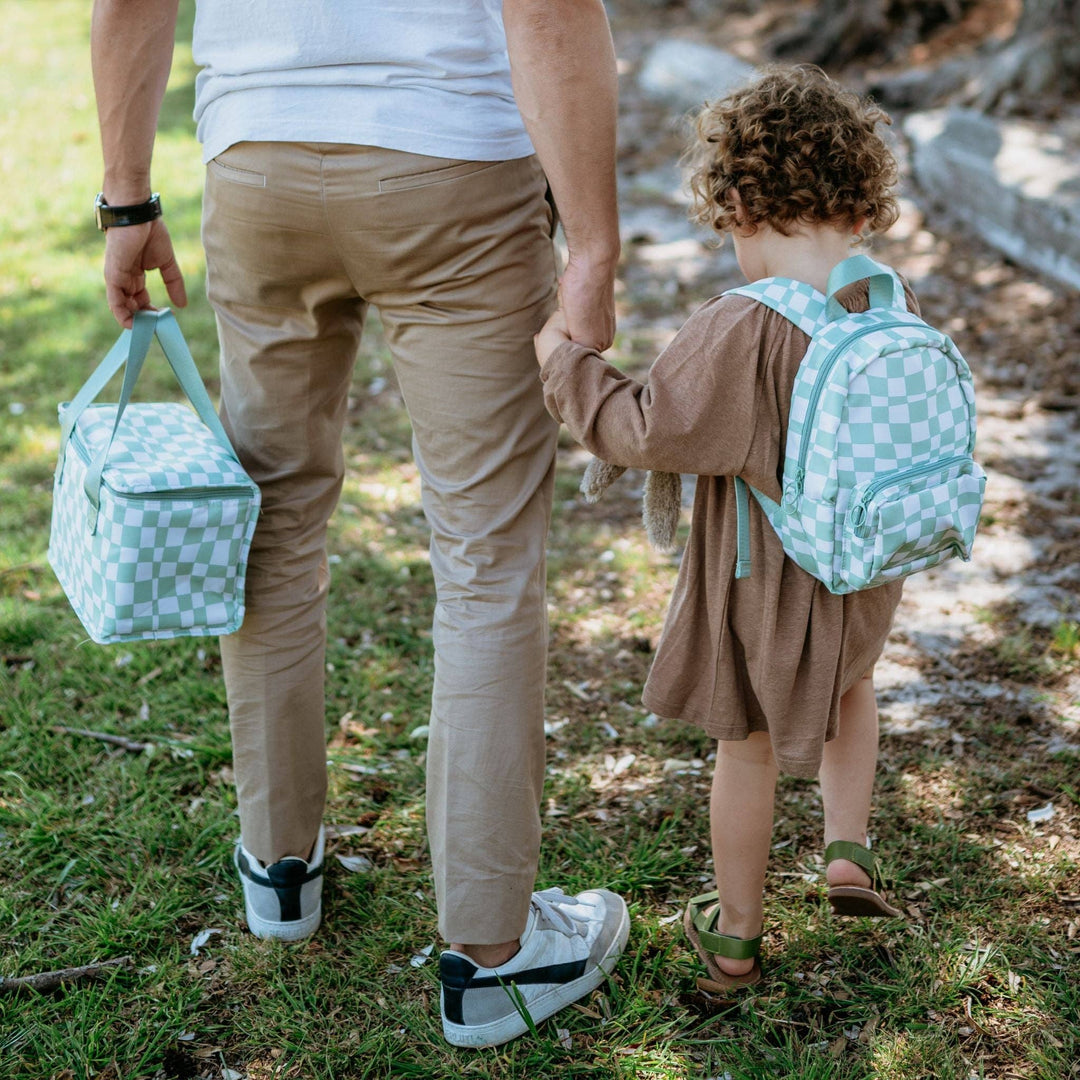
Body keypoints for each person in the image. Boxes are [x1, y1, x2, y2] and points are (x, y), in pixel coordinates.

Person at [91, 0, 629, 1048]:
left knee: (278, 517)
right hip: (451, 166)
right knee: (484, 556)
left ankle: (277, 870)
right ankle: (492, 958)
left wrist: (126, 202)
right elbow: (549, 10)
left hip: (257, 162)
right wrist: (596, 248)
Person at [535, 65, 908, 988]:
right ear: (860, 202)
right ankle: (846, 849)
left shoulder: (743, 322)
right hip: (864, 566)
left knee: (746, 750)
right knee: (850, 686)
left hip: (765, 576)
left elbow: (650, 428)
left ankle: (736, 936)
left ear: (736, 201)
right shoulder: (882, 303)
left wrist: (565, 364)